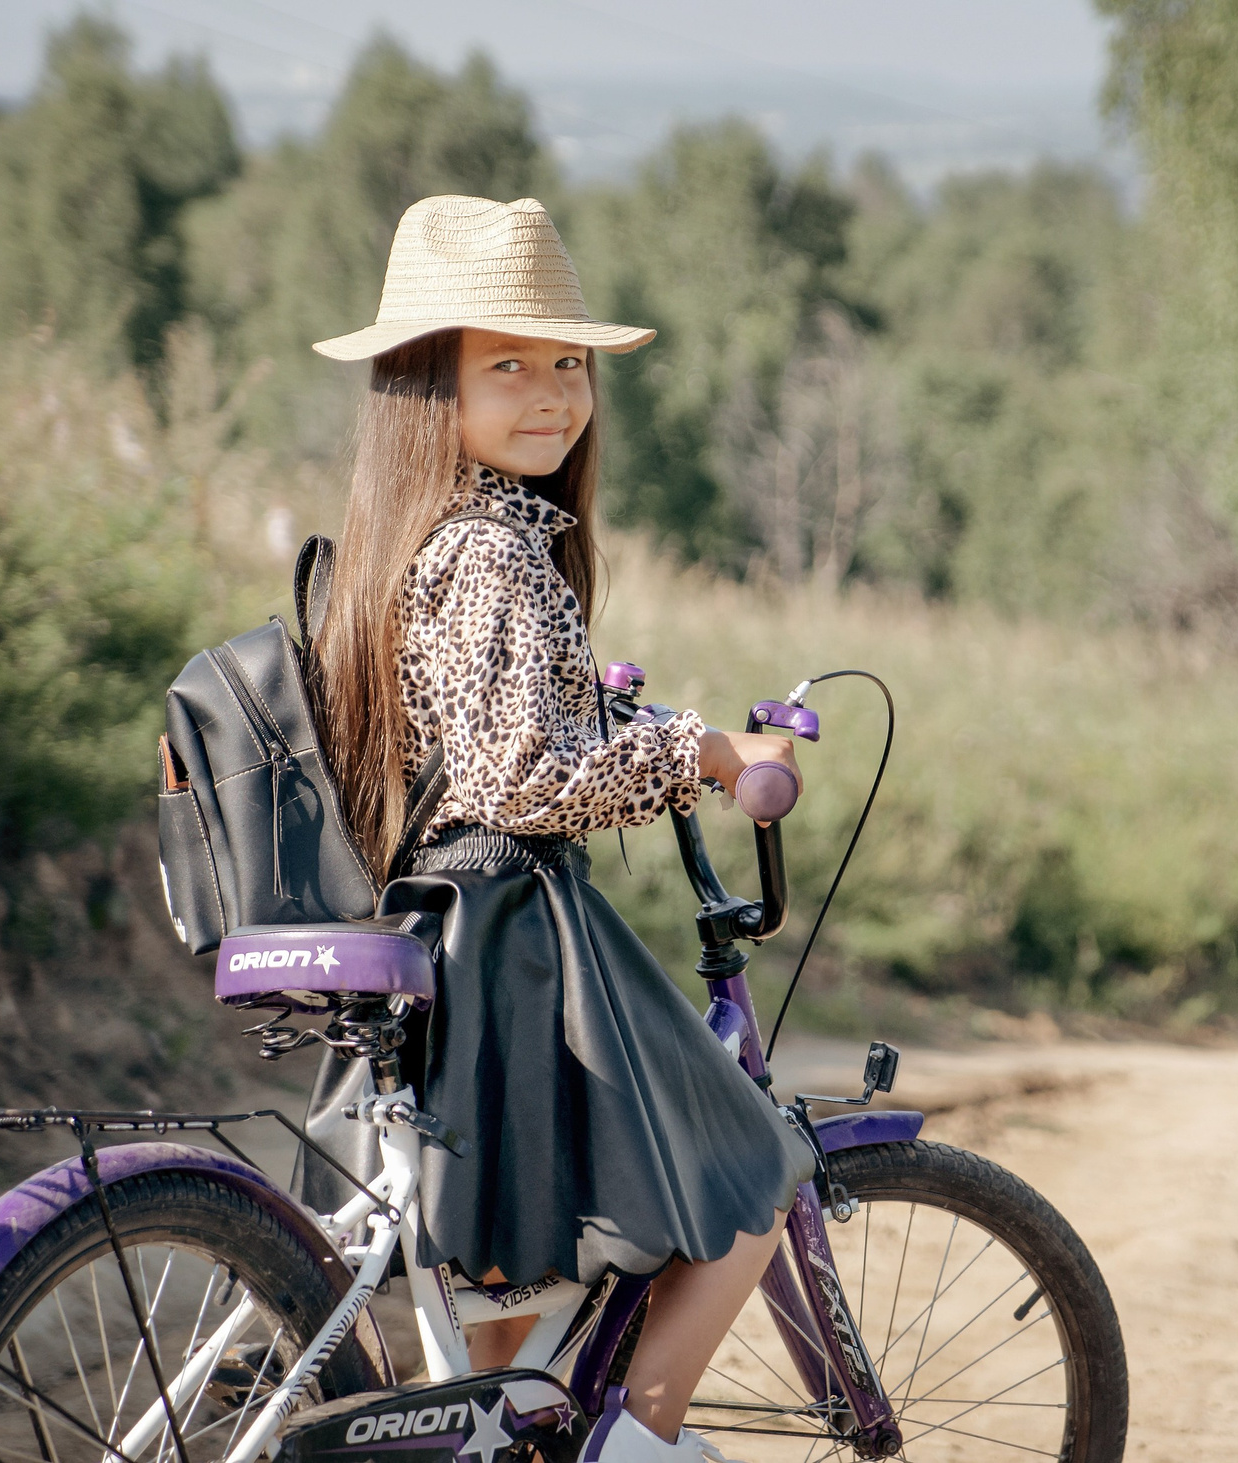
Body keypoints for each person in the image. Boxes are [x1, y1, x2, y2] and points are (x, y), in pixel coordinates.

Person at [307, 194, 812, 1463]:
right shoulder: (495, 551)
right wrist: (703, 755)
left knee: (505, 1318)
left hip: (434, 930)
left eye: (567, 364)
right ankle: (637, 1441)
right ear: (427, 383)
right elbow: (523, 778)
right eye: (508, 365)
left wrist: (633, 720)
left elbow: (489, 735)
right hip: (512, 941)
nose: (551, 394)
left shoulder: (410, 537)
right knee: (753, 1167)